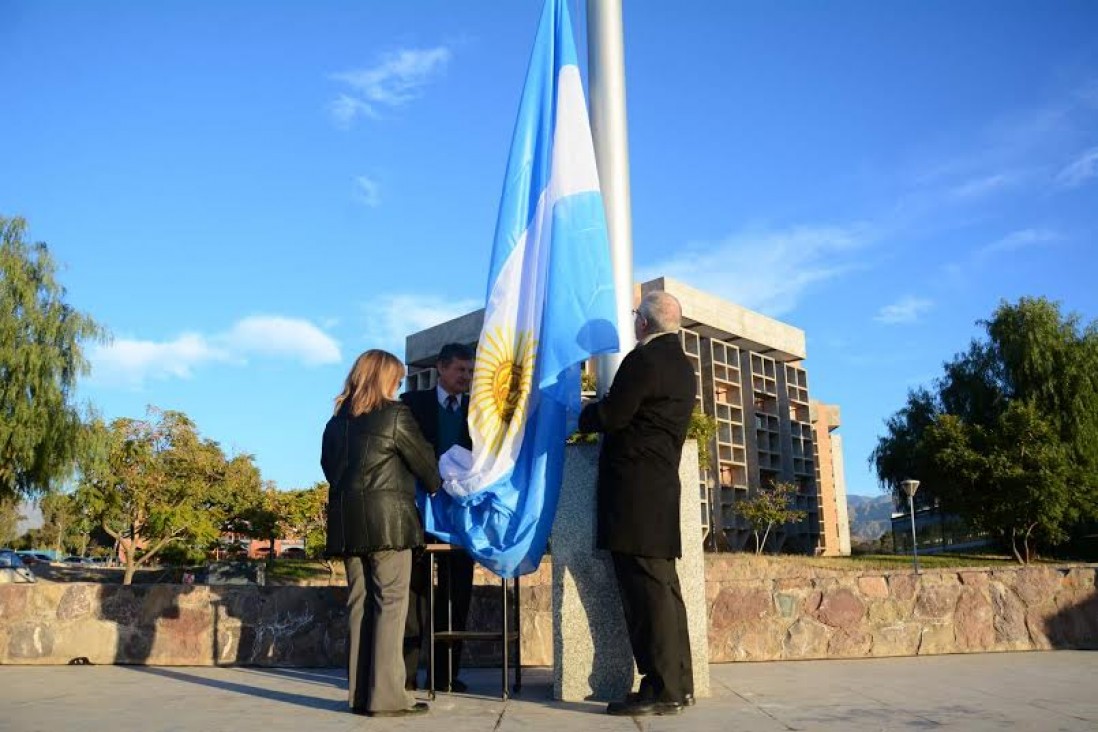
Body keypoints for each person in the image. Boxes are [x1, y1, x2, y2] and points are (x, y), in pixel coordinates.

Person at [578, 291, 696, 717]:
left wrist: (580, 413)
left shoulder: (644, 361)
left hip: (633, 494)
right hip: (659, 492)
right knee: (664, 590)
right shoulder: (683, 366)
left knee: (646, 595)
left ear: (643, 323)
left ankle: (660, 688)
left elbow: (613, 416)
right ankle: (679, 684)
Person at [322, 349, 441, 717]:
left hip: (347, 523)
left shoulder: (336, 420)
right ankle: (387, 698)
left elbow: (329, 468)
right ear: (385, 378)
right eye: (398, 378)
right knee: (391, 605)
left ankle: (359, 694)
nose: (399, 385)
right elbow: (424, 462)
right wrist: (436, 484)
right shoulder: (395, 414)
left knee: (360, 605)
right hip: (389, 522)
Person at [401, 343, 476, 692]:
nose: (466, 376)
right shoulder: (411, 405)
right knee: (414, 591)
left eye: (468, 370)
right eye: (460, 369)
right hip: (419, 511)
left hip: (461, 516)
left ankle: (446, 675)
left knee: (456, 590)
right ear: (442, 369)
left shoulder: (478, 410)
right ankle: (406, 673)